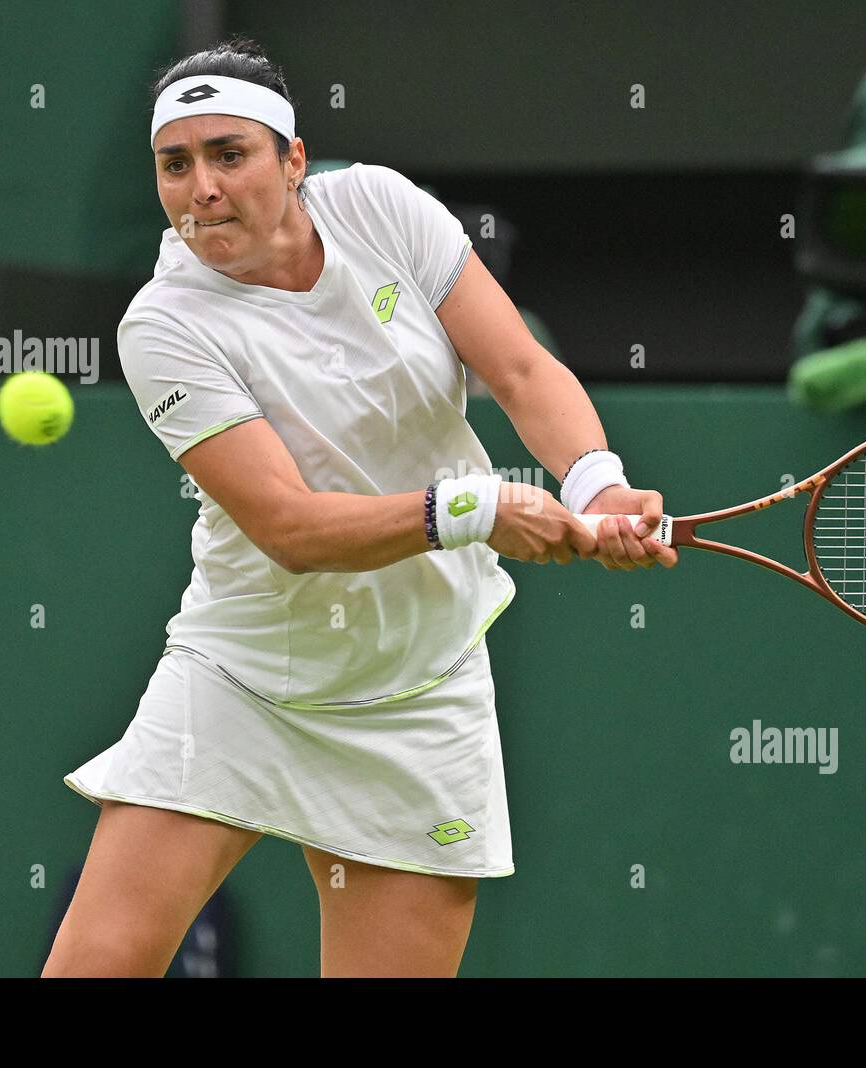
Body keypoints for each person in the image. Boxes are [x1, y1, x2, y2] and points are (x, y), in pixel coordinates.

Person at [42, 37, 676, 979]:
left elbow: (519, 368)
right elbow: (290, 530)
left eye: (230, 154)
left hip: (421, 687)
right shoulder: (163, 324)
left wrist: (596, 484)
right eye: (176, 164)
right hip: (244, 678)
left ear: (294, 160)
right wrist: (477, 508)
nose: (202, 187)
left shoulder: (381, 204)